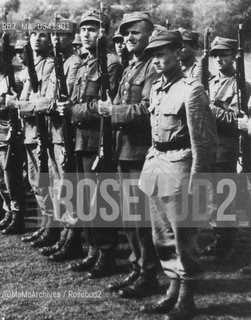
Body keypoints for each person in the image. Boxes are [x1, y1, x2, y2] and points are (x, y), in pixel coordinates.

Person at [138, 30, 217, 319]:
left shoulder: (191, 89)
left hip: (181, 171)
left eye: (161, 54)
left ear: (178, 52)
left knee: (185, 240)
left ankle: (187, 297)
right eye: (153, 55)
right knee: (162, 237)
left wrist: (198, 183)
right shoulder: (157, 87)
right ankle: (172, 289)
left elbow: (204, 141)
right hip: (156, 166)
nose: (157, 60)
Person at [98, 11, 160, 298]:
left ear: (149, 34)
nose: (129, 38)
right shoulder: (130, 66)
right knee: (129, 217)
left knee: (142, 218)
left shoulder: (152, 68)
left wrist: (113, 113)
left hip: (140, 152)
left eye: (135, 32)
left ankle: (148, 274)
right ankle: (137, 267)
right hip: (124, 149)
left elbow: (148, 110)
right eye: (126, 33)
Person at [58, 10, 123, 278]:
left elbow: (107, 107)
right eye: (83, 29)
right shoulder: (85, 63)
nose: (86, 33)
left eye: (93, 29)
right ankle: (92, 251)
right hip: (81, 139)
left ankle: (106, 254)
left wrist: (73, 110)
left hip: (100, 141)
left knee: (100, 201)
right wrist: (66, 107)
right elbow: (77, 100)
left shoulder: (111, 64)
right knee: (85, 199)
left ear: (105, 33)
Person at [31, 18, 83, 261]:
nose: (54, 39)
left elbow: (61, 100)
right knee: (56, 185)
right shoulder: (59, 63)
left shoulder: (74, 63)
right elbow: (49, 99)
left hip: (65, 134)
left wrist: (33, 104)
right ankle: (63, 234)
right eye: (52, 35)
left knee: (67, 186)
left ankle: (72, 238)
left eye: (60, 35)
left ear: (71, 38)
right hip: (53, 133)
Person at [6, 27, 58, 246]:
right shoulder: (30, 67)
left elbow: (45, 102)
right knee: (36, 181)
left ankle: (54, 228)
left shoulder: (52, 65)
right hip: (28, 131)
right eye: (34, 35)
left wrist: (17, 104)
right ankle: (45, 224)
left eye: (43, 35)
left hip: (42, 131)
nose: (38, 39)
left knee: (48, 181)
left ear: (50, 40)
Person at [201, 37, 251, 261]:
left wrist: (208, 108)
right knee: (212, 196)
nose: (219, 58)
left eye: (224, 54)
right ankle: (219, 236)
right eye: (215, 55)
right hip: (210, 145)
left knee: (224, 197)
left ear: (234, 56)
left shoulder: (241, 85)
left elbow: (236, 119)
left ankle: (226, 241)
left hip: (228, 147)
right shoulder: (210, 83)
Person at [0, 40, 25, 235]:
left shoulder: (16, 75)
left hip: (10, 131)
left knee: (11, 176)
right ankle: (8, 210)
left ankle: (18, 215)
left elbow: (18, 103)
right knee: (1, 178)